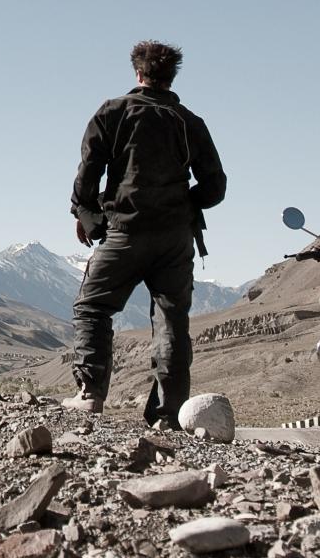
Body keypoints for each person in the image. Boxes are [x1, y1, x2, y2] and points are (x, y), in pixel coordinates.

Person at [68, 39, 226, 423]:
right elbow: (215, 187)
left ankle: (90, 394)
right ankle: (169, 412)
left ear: (137, 73)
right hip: (175, 239)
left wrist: (86, 214)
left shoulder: (113, 112)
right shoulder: (189, 122)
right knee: (172, 321)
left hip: (125, 229)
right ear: (171, 77)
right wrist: (185, 203)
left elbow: (89, 172)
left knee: (93, 307)